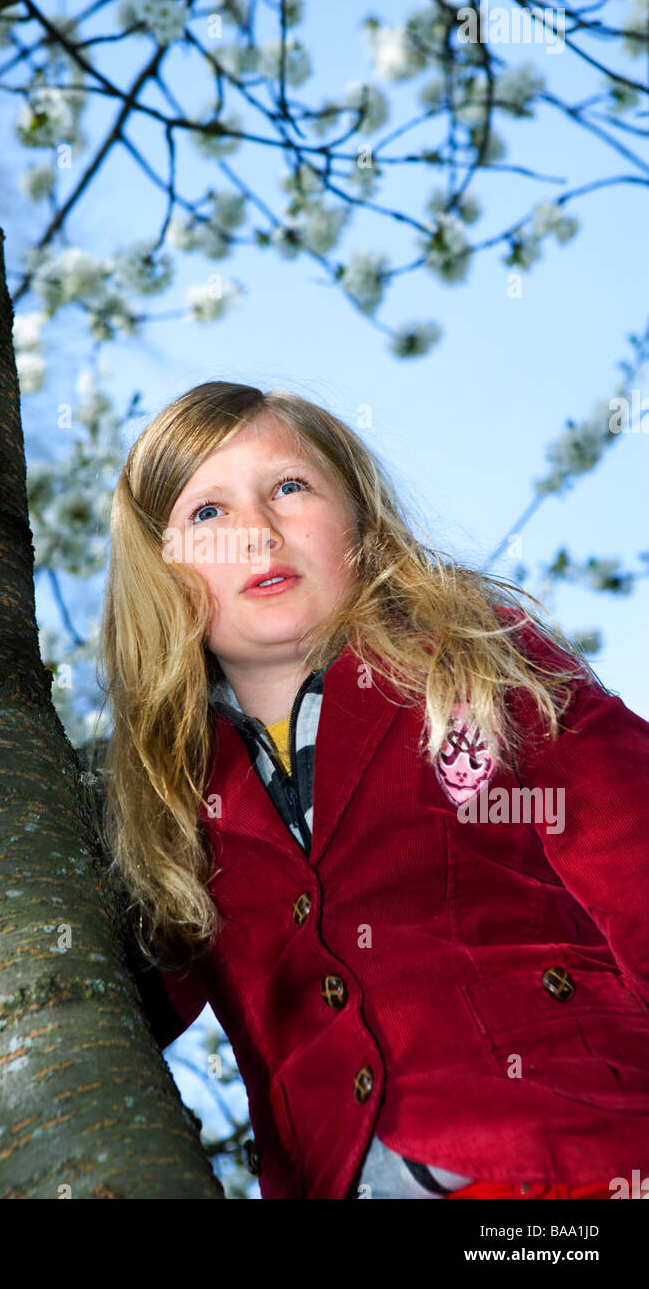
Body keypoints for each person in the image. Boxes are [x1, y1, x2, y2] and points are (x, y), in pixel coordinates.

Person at [93, 379, 649, 1200]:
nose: (257, 530)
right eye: (206, 513)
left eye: (290, 487)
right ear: (160, 572)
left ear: (357, 522)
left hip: (563, 1158)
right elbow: (102, 1006)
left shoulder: (475, 660)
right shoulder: (168, 800)